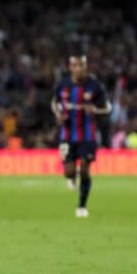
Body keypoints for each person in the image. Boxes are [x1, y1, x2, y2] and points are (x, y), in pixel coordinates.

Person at [51, 54, 111, 217]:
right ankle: (71, 177)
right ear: (71, 67)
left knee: (85, 169)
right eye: (75, 65)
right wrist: (58, 114)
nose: (79, 69)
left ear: (86, 66)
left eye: (82, 65)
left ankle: (82, 206)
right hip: (67, 133)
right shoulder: (63, 84)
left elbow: (108, 107)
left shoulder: (94, 85)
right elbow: (54, 103)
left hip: (87, 133)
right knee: (69, 171)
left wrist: (96, 110)